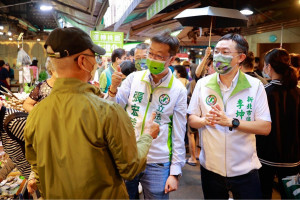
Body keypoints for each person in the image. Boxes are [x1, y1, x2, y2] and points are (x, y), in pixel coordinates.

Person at [24, 27, 159, 199]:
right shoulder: (107, 111)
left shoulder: (36, 113)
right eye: (93, 57)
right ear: (82, 61)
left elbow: (37, 169)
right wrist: (147, 135)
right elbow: (130, 168)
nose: (96, 62)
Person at [188, 33, 272, 199]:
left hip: (245, 169)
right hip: (211, 168)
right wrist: (204, 120)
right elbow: (192, 119)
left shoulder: (254, 86)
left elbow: (265, 127)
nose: (219, 56)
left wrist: (232, 122)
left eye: (225, 52)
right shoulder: (203, 84)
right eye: (217, 52)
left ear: (241, 57)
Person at [107, 31, 186, 199]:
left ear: (171, 59)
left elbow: (179, 132)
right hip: (128, 155)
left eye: (158, 56)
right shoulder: (134, 78)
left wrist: (175, 172)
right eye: (150, 53)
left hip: (157, 160)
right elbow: (113, 108)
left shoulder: (178, 90)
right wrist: (113, 88)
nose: (151, 58)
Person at [257, 48, 300, 199]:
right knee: (291, 195)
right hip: (293, 156)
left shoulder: (265, 92)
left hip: (265, 154)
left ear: (269, 67)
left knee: (263, 194)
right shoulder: (298, 92)